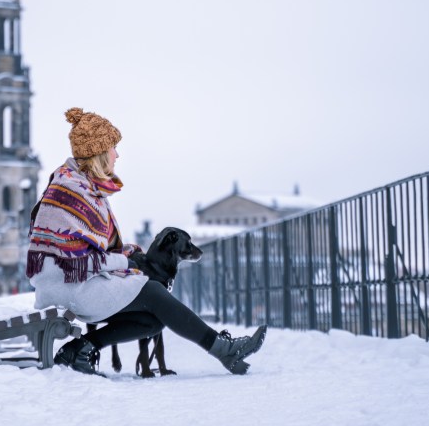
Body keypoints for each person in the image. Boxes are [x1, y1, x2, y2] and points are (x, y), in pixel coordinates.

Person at [27, 107, 266, 376]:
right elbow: (78, 260)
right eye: (113, 148)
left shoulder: (81, 186)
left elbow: (87, 249)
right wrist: (125, 260)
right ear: (99, 152)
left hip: (75, 281)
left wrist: (125, 253)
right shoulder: (71, 190)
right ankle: (224, 349)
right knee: (152, 292)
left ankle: (81, 349)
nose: (117, 155)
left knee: (153, 319)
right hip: (69, 285)